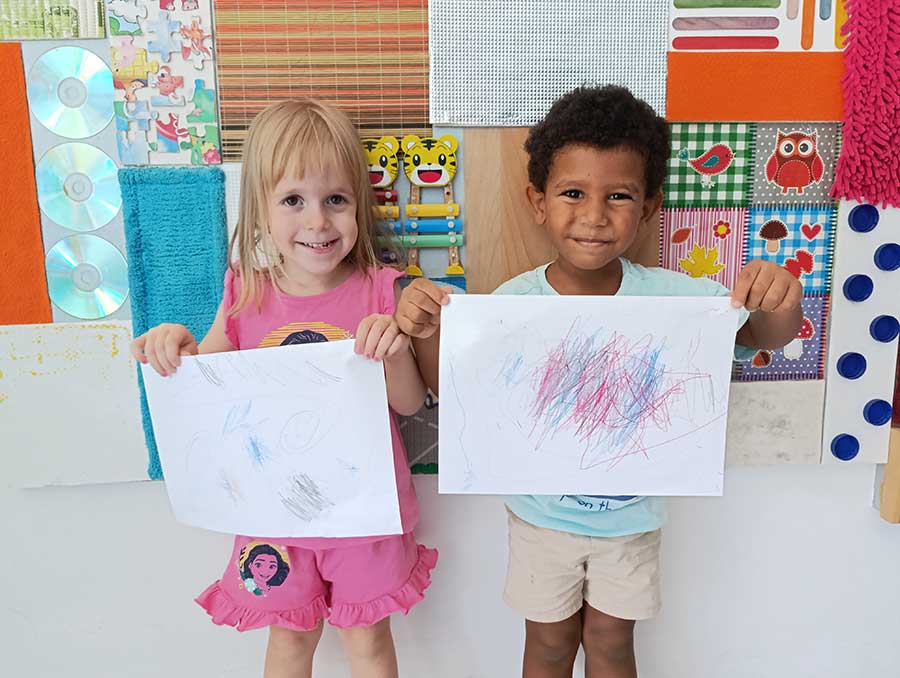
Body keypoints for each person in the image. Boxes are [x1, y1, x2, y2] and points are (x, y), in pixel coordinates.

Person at [395, 85, 801, 678]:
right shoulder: (512, 303)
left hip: (630, 523)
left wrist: (779, 297)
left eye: (618, 195)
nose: (594, 215)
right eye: (573, 193)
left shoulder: (677, 301)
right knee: (549, 643)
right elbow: (457, 394)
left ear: (649, 206)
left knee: (611, 642)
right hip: (541, 519)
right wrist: (428, 331)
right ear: (538, 202)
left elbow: (765, 335)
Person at [132, 98, 437, 678]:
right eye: (293, 200)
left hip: (362, 512)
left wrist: (395, 349)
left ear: (359, 204)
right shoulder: (245, 291)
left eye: (336, 200)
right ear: (260, 211)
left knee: (368, 642)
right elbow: (204, 382)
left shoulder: (382, 290)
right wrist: (175, 345)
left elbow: (407, 403)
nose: (317, 222)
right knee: (290, 640)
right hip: (272, 511)